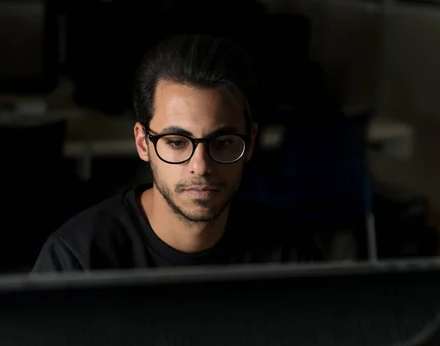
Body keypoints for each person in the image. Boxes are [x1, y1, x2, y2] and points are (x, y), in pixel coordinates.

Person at [33, 34, 323, 272]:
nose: (201, 165)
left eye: (222, 142)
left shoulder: (289, 254)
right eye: (176, 142)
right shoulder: (78, 260)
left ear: (251, 142)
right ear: (143, 143)